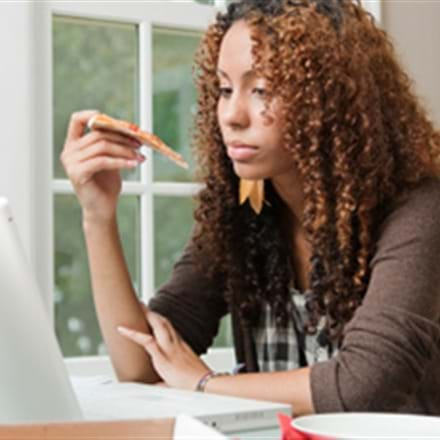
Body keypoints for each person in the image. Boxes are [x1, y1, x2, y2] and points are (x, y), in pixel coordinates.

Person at [61, 0, 440, 416]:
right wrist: (98, 215)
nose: (232, 115)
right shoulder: (244, 212)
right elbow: (142, 362)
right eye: (225, 89)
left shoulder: (421, 209)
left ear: (329, 102)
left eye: (262, 89)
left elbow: (363, 385)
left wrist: (205, 384)